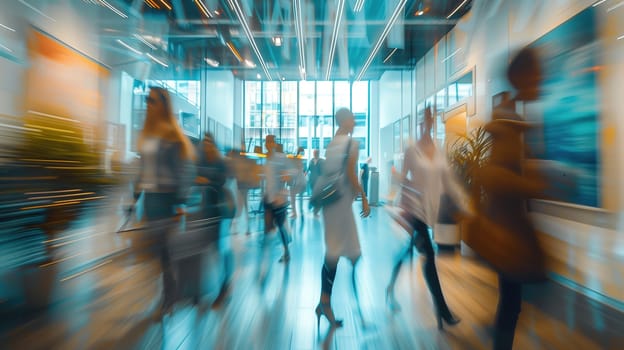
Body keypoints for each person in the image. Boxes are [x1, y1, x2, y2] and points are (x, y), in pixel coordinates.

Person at [474, 47, 547, 350]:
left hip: (510, 230)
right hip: (508, 233)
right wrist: (533, 184)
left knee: (511, 303)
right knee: (512, 304)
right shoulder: (509, 124)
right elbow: (493, 176)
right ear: (524, 77)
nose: (541, 80)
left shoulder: (513, 119)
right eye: (537, 74)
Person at [385, 106, 468, 329]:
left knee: (408, 250)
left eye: (433, 118)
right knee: (429, 255)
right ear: (421, 121)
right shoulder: (412, 149)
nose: (430, 122)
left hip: (431, 211)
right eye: (426, 118)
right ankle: (442, 309)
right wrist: (397, 181)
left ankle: (390, 286)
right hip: (415, 211)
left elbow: (448, 180)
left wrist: (464, 206)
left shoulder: (439, 149)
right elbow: (402, 177)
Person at [133, 86, 196, 317]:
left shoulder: (172, 134)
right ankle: (169, 294)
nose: (148, 104)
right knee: (159, 251)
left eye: (152, 100)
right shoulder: (147, 133)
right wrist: (135, 196)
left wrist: (180, 201)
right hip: (150, 199)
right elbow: (143, 169)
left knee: (165, 252)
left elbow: (183, 171)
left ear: (163, 103)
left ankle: (169, 298)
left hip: (168, 198)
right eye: (147, 100)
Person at [315, 108, 370, 330]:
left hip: (331, 203)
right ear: (345, 120)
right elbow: (350, 173)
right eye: (353, 118)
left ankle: (324, 302)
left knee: (336, 251)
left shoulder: (332, 143)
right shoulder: (351, 144)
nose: (355, 121)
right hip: (341, 204)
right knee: (336, 253)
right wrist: (364, 197)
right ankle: (325, 303)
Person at [195, 133, 233, 309]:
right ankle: (199, 290)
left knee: (220, 250)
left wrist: (207, 180)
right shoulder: (200, 160)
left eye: (210, 143)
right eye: (205, 143)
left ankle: (225, 286)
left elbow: (223, 180)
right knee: (202, 250)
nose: (207, 146)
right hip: (204, 211)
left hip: (218, 211)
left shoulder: (220, 162)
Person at [262, 135, 291, 263]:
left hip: (279, 199)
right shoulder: (266, 159)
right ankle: (266, 256)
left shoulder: (280, 158)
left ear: (274, 144)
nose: (268, 144)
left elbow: (287, 176)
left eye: (270, 142)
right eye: (266, 142)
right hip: (268, 197)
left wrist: (281, 194)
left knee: (280, 225)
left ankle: (286, 251)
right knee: (268, 227)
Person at [288, 147, 306, 218]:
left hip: (298, 181)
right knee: (297, 197)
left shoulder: (298, 159)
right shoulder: (297, 159)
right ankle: (298, 212)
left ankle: (296, 213)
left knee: (294, 197)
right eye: (302, 152)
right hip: (297, 180)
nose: (303, 154)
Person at [306, 149, 324, 215]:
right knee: (314, 194)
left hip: (319, 180)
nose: (315, 154)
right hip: (312, 180)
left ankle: (314, 208)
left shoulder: (322, 161)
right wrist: (305, 174)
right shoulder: (311, 161)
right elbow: (308, 169)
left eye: (316, 153)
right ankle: (312, 205)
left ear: (318, 153)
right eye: (314, 153)